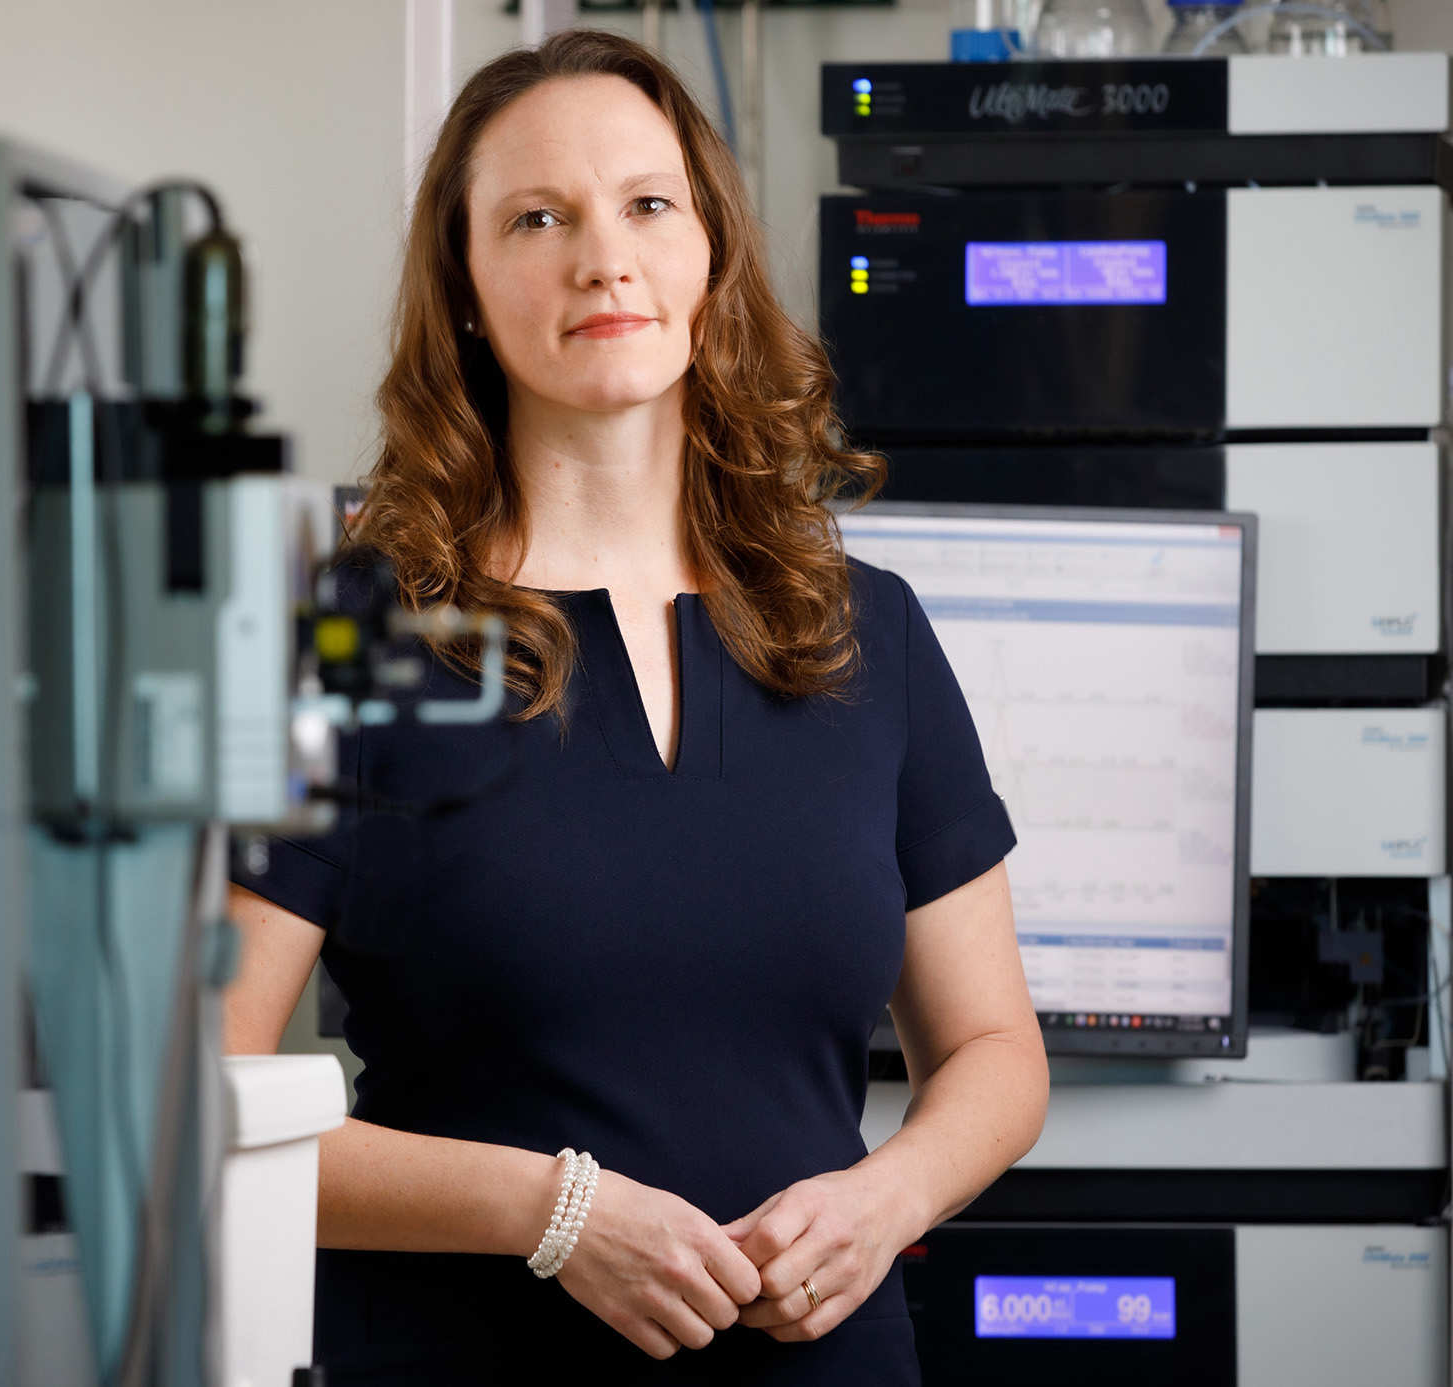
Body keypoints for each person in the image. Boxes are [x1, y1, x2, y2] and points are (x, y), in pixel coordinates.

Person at [224, 28, 1048, 1385]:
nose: (602, 257)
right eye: (537, 217)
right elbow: (202, 1101)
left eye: (647, 205)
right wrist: (552, 1217)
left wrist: (886, 1199)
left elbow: (993, 1050)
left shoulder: (867, 627)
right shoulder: (358, 640)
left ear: (709, 256)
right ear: (470, 289)